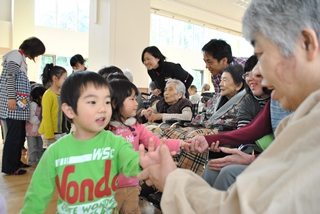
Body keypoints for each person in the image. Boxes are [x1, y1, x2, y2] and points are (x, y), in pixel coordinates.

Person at [137, 0, 320, 213]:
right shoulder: (303, 112)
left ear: (306, 43)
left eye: (262, 56)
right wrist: (253, 159)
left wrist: (171, 181)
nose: (260, 76)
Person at [20, 71, 157, 213]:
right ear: (70, 110)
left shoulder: (115, 142)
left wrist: (145, 162)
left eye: (107, 102)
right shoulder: (56, 151)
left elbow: (131, 162)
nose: (103, 108)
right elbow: (36, 197)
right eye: (92, 102)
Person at [107, 79, 188, 213]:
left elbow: (155, 143)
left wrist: (181, 143)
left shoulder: (135, 126)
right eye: (131, 99)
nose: (136, 103)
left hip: (132, 185)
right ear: (115, 103)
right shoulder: (105, 130)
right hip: (109, 189)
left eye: (135, 98)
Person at [0, 37, 45, 175]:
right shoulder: (15, 55)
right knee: (13, 136)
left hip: (19, 106)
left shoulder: (21, 57)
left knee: (19, 135)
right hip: (12, 105)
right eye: (37, 53)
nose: (36, 56)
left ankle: (16, 162)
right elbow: (10, 76)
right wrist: (12, 98)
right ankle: (9, 167)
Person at [204, 64, 246, 129]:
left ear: (238, 85)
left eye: (224, 80)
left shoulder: (245, 105)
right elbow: (201, 116)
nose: (220, 84)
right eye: (221, 80)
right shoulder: (215, 99)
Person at [38, 64, 68, 148]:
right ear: (55, 78)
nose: (66, 81)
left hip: (61, 131)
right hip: (50, 133)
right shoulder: (48, 95)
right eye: (64, 78)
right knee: (51, 158)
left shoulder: (62, 93)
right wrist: (50, 135)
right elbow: (46, 116)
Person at [237, 55, 271, 128]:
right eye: (247, 75)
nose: (249, 79)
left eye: (256, 74)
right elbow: (244, 132)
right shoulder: (247, 102)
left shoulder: (280, 99)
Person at [25, 86, 46, 168]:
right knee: (32, 147)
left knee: (40, 147)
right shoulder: (33, 105)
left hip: (39, 131)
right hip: (31, 132)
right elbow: (31, 117)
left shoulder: (41, 105)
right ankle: (32, 161)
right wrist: (40, 121)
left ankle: (40, 160)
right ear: (40, 96)